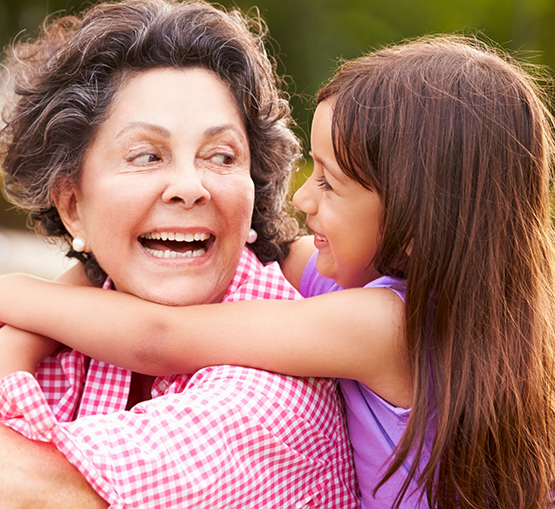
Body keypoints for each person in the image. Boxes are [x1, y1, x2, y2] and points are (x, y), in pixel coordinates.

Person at [3, 34, 555, 509]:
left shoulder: (384, 323)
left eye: (330, 183)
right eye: (147, 156)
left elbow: (159, 338)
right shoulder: (343, 281)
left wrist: (15, 295)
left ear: (414, 224)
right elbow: (256, 247)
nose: (301, 199)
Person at [0, 0, 360, 508]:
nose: (190, 186)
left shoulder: (278, 387)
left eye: (220, 156)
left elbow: (34, 491)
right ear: (72, 205)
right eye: (147, 155)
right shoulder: (67, 329)